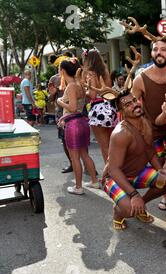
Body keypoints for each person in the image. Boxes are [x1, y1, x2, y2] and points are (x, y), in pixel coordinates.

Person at [103, 91, 166, 230]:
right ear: (121, 111)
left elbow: (150, 152)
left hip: (136, 174)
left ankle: (139, 206)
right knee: (129, 210)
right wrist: (134, 195)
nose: (135, 104)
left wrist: (160, 171)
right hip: (113, 178)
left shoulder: (145, 123)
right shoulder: (121, 134)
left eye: (135, 100)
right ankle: (119, 213)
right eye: (128, 104)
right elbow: (113, 169)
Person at [131, 39, 166, 211]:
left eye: (163, 49)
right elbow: (132, 107)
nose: (159, 52)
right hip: (153, 131)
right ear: (151, 53)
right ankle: (164, 198)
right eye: (155, 49)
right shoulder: (140, 79)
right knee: (159, 167)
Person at [57, 58, 99, 195]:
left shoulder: (71, 87)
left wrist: (60, 102)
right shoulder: (79, 84)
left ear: (63, 71)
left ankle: (78, 187)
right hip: (82, 122)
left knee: (75, 157)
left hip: (73, 124)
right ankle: (94, 181)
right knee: (84, 155)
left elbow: (73, 107)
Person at [83, 48, 117, 164]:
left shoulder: (91, 73)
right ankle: (116, 170)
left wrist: (85, 91)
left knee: (104, 146)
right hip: (109, 107)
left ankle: (110, 174)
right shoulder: (105, 71)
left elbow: (92, 95)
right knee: (112, 144)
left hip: (98, 109)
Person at [48, 56, 73, 173]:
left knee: (79, 142)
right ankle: (72, 163)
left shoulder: (75, 79)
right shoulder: (54, 79)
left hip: (73, 112)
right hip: (61, 112)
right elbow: (50, 98)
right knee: (64, 140)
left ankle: (86, 167)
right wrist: (53, 93)